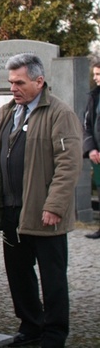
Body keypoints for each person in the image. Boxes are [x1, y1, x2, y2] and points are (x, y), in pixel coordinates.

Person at [0, 53, 82, 348]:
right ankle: (31, 326)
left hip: (43, 212)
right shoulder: (9, 112)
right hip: (11, 209)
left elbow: (68, 164)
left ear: (39, 81)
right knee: (19, 275)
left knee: (52, 277)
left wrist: (55, 205)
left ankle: (55, 333)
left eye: (20, 82)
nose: (14, 87)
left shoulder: (60, 114)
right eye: (11, 82)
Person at [82, 61, 100, 239]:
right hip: (97, 155)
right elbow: (86, 123)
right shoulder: (94, 96)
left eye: (98, 74)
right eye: (94, 74)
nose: (94, 78)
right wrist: (91, 149)